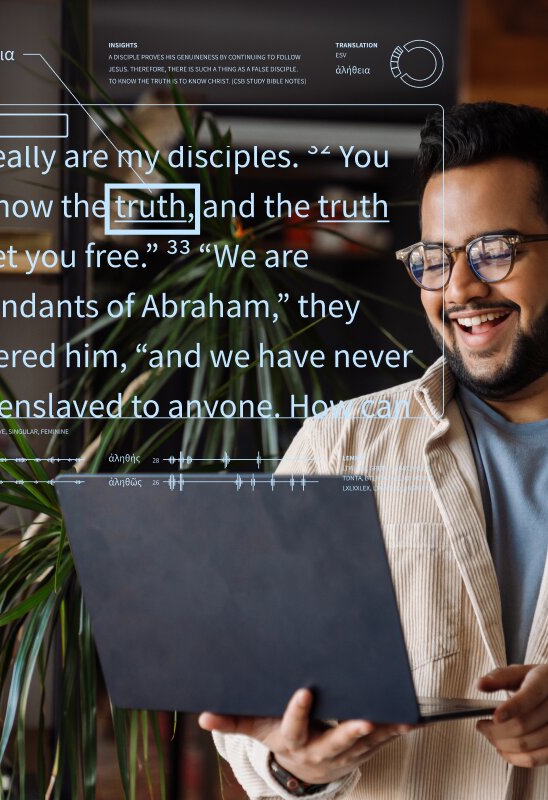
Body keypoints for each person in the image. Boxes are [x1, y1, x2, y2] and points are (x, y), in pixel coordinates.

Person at [198, 102, 548, 799]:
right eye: (435, 259)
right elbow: (249, 705)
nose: (461, 288)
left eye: (495, 250)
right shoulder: (338, 448)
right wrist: (293, 767)